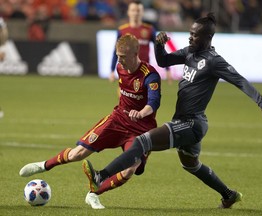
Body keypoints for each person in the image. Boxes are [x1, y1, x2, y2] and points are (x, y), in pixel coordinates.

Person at [82, 13, 262, 209]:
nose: (190, 37)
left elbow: (240, 80)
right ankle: (229, 195)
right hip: (187, 121)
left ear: (208, 38)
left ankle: (101, 176)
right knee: (191, 165)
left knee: (142, 141)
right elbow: (163, 61)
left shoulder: (214, 61)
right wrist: (159, 45)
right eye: (190, 33)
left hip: (191, 123)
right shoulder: (189, 53)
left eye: (195, 35)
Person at [19, 33, 162, 209]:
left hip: (140, 129)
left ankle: (93, 194)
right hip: (117, 120)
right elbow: (125, 91)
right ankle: (43, 165)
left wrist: (140, 113)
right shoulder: (119, 68)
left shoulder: (150, 75)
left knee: (130, 169)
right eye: (118, 56)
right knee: (77, 154)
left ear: (135, 54)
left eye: (123, 57)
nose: (119, 60)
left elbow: (154, 103)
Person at [109, 0, 172, 84]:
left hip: (144, 72)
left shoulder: (149, 30)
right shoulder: (122, 30)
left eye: (138, 10)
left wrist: (167, 69)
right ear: (128, 12)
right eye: (133, 10)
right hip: (126, 72)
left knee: (143, 96)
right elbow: (115, 52)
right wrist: (112, 71)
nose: (135, 13)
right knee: (125, 96)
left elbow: (159, 49)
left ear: (142, 12)